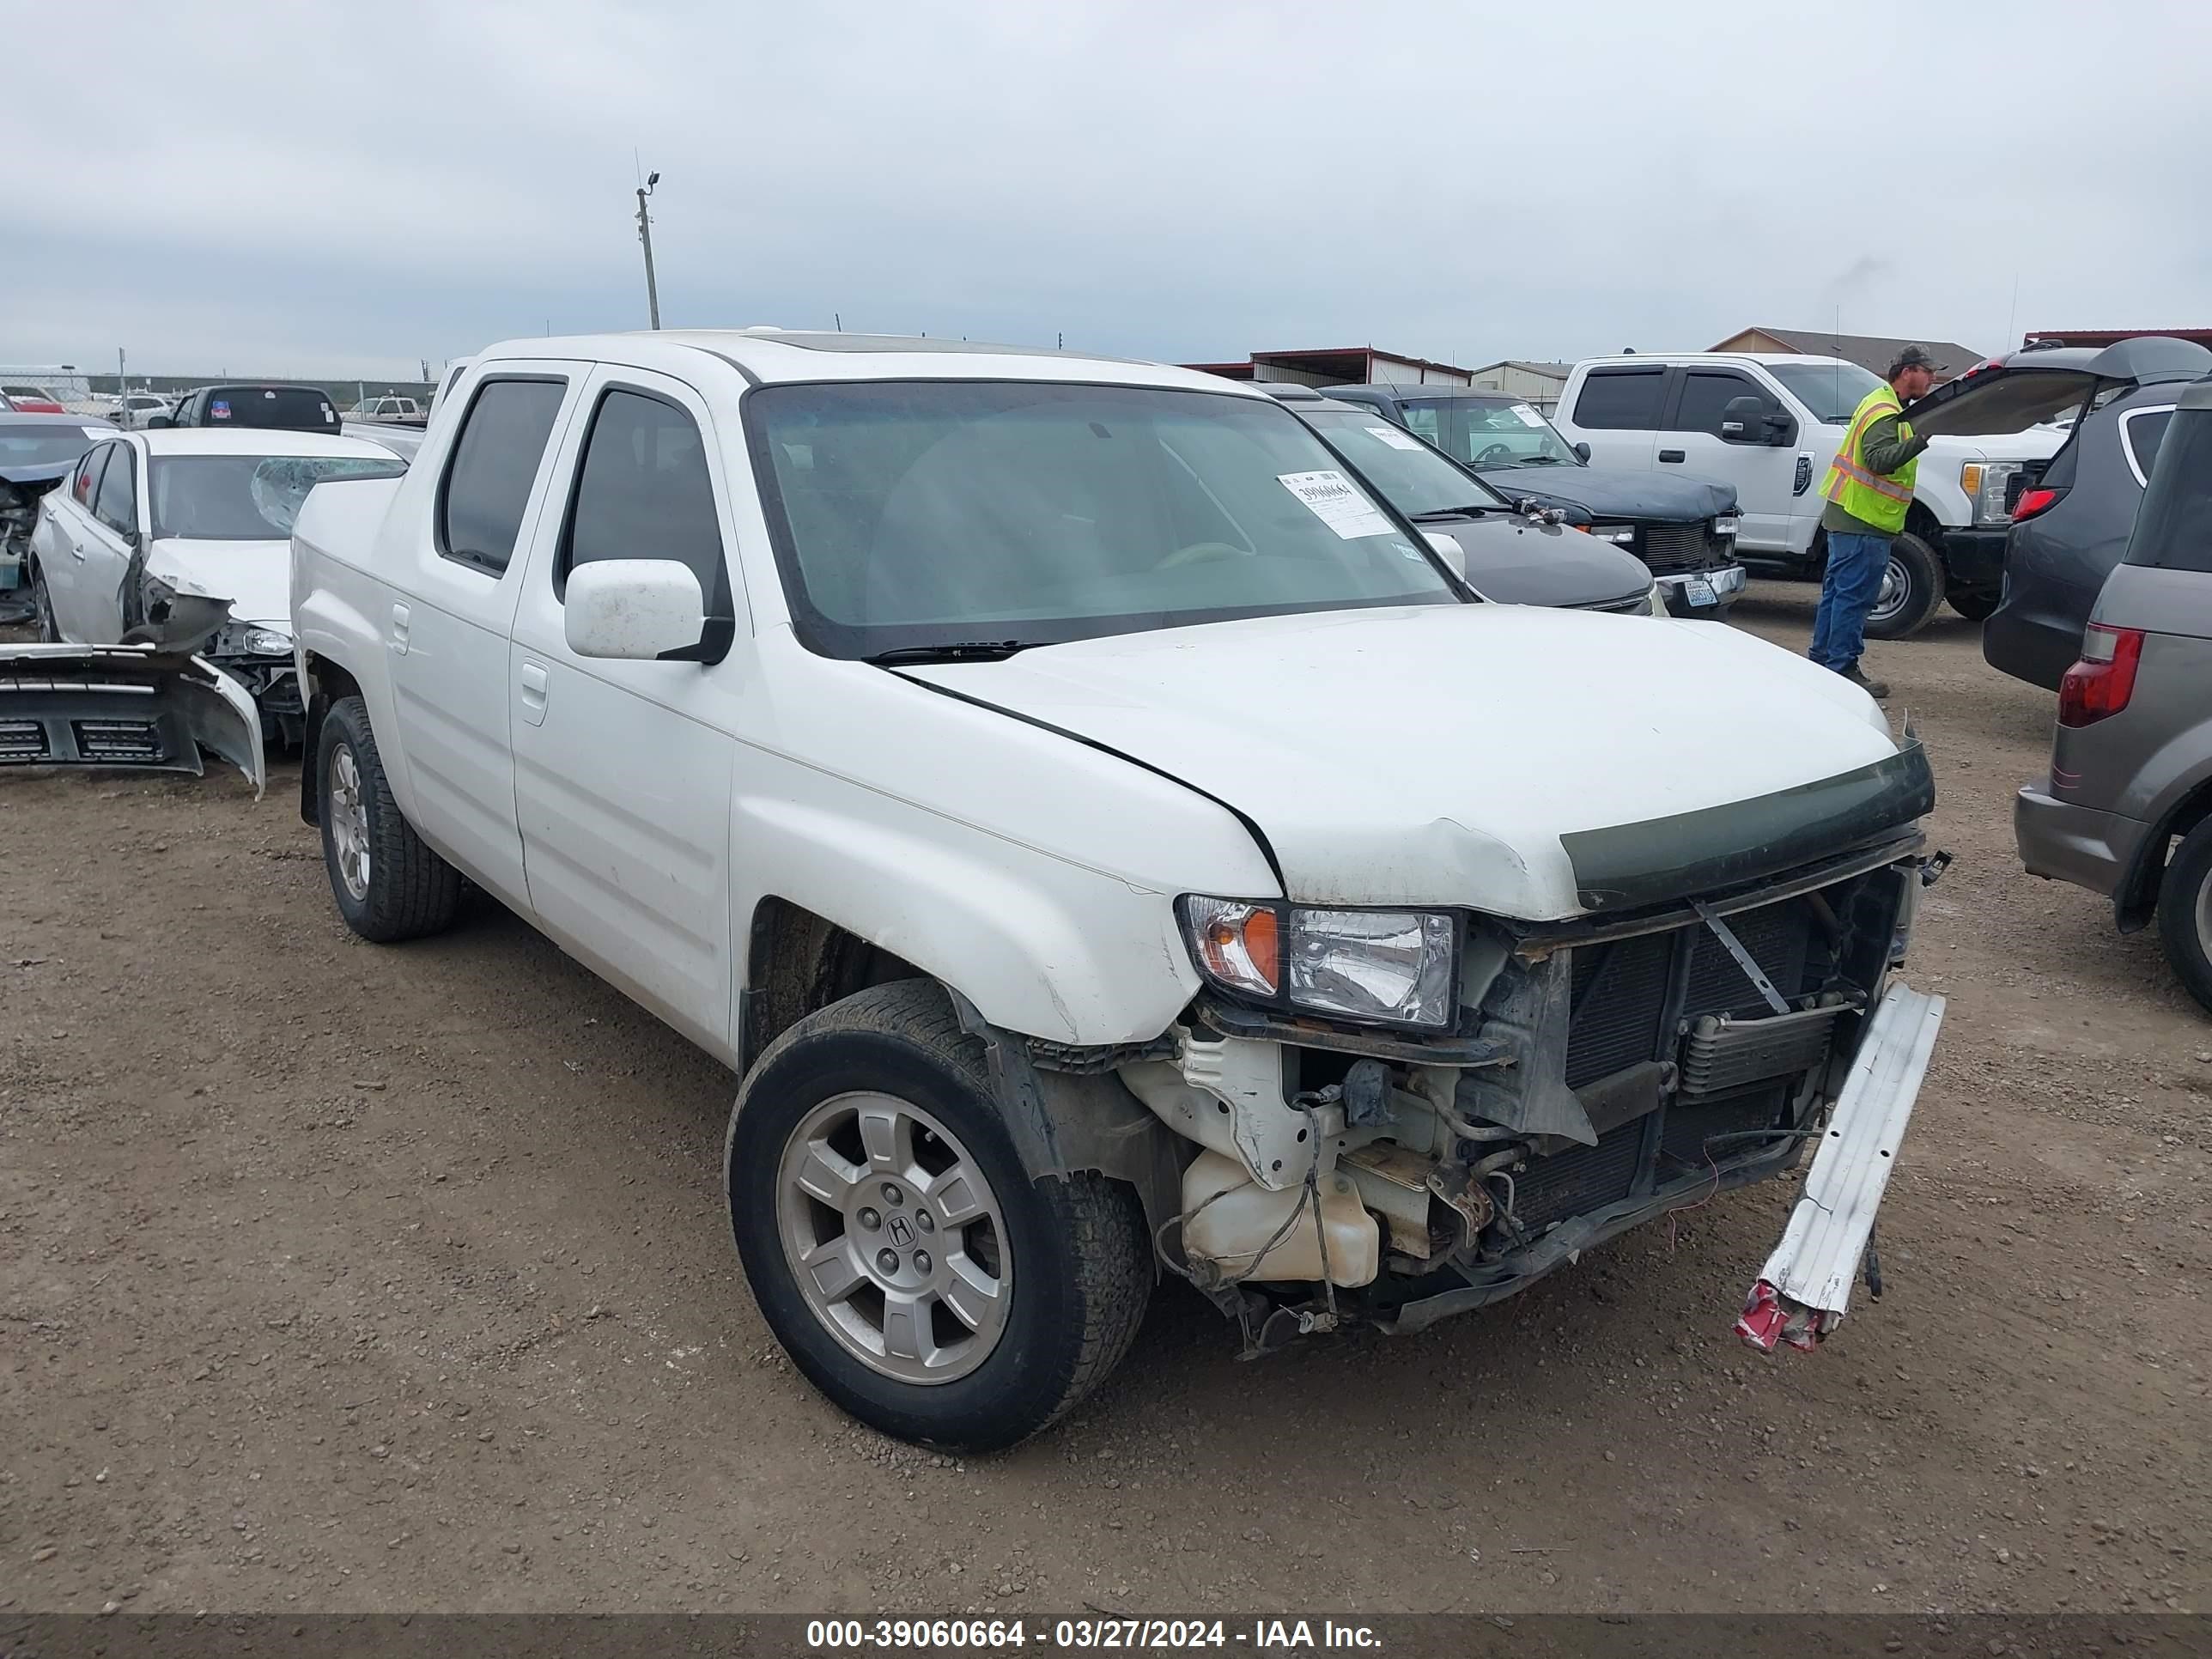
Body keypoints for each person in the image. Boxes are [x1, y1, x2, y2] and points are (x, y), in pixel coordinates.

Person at [1809, 344, 1942, 697]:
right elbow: (1879, 460)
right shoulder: (1885, 411)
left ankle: (1821, 663)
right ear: (1907, 372)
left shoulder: (1882, 403)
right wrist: (1921, 439)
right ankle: (1841, 669)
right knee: (1853, 598)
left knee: (1838, 595)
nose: (1932, 377)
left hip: (1851, 514)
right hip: (1863, 518)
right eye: (1926, 371)